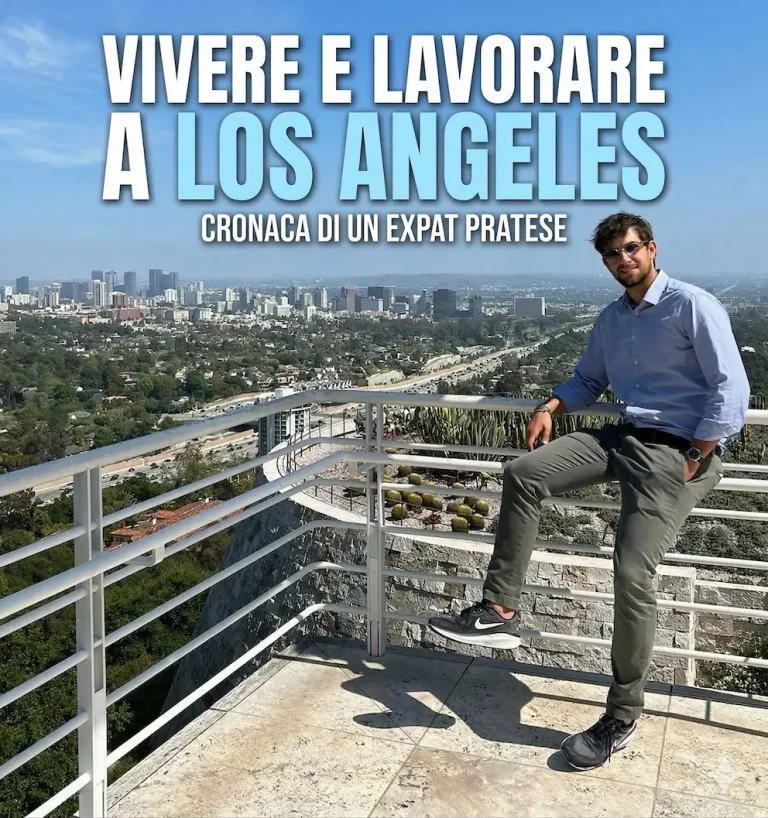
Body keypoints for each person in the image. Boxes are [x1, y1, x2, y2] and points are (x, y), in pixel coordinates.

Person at [428, 212, 750, 771]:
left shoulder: (692, 305)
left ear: (651, 248)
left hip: (677, 452)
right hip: (622, 435)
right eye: (611, 255)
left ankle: (621, 715)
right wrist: (552, 406)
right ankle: (499, 608)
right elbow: (588, 380)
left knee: (631, 573)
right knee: (524, 472)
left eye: (630, 250)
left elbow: (731, 387)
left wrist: (698, 454)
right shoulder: (611, 319)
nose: (622, 261)